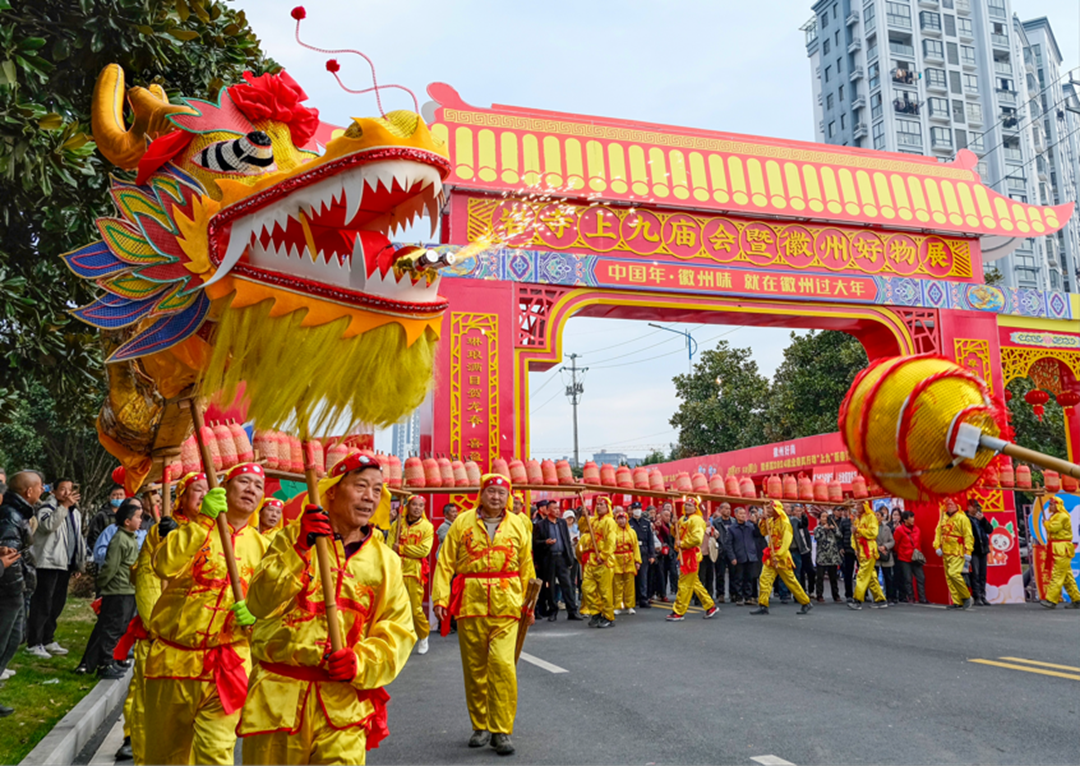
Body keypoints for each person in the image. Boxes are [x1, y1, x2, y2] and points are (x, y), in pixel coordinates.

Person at [240, 452, 415, 765]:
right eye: (361, 486)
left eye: (378, 490)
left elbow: (398, 629)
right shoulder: (293, 537)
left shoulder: (386, 561)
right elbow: (259, 603)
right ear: (332, 490)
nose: (370, 497)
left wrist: (360, 661)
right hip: (279, 699)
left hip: (343, 705)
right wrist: (299, 549)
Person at [143, 462, 268, 766]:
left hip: (228, 663)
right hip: (174, 661)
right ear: (223, 488)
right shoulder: (192, 531)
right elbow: (164, 566)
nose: (251, 489)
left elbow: (275, 605)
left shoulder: (265, 547)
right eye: (244, 482)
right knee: (166, 756)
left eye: (258, 485)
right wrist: (202, 523)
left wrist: (257, 618)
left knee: (217, 753)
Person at [432, 474, 535, 756]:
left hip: (507, 604)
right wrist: (440, 597)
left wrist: (530, 603)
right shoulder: (462, 523)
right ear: (481, 493)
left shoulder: (518, 524)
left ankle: (501, 730)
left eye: (501, 493)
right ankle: (480, 726)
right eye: (491, 491)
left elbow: (527, 565)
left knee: (503, 666)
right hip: (470, 602)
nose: (496, 497)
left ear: (508, 496)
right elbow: (445, 561)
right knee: (475, 669)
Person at [116, 471, 206, 762]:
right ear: (182, 496)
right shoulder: (161, 531)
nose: (205, 495)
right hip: (162, 633)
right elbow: (146, 577)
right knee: (147, 697)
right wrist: (158, 625)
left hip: (200, 636)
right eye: (198, 490)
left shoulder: (222, 532)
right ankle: (135, 740)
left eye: (210, 490)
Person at [77, 500, 141, 678]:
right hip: (117, 590)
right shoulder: (120, 539)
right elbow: (110, 566)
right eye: (137, 517)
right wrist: (104, 584)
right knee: (111, 628)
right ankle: (104, 664)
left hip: (128, 589)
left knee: (120, 628)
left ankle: (107, 660)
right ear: (127, 521)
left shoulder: (131, 538)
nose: (140, 521)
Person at [27, 478, 86, 659]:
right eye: (63, 489)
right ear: (53, 492)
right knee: (43, 602)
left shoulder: (75, 513)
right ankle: (33, 642)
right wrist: (64, 507)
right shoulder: (47, 508)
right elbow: (48, 526)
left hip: (65, 564)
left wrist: (79, 562)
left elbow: (77, 537)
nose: (67, 493)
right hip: (48, 563)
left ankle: (48, 638)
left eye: (70, 489)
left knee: (57, 603)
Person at [0, 472, 40, 718]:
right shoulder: (10, 516)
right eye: (39, 487)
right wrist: (18, 589)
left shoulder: (17, 513)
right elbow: (10, 559)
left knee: (12, 640)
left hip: (14, 589)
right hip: (8, 591)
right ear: (28, 491)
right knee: (5, 639)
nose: (42, 491)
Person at [750, 501, 813, 616]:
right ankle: (763, 605)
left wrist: (778, 555)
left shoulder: (785, 522)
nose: (767, 511)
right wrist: (763, 520)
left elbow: (787, 540)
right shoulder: (770, 520)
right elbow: (764, 532)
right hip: (771, 555)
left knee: (791, 581)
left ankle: (806, 602)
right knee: (764, 579)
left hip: (781, 556)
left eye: (769, 509)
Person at [391, 493, 434, 656]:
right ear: (408, 507)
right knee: (395, 607)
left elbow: (424, 550)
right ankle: (399, 640)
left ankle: (423, 635)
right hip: (396, 570)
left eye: (421, 506)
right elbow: (390, 547)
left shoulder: (427, 527)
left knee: (415, 609)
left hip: (413, 572)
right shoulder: (397, 524)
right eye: (414, 505)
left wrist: (402, 549)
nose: (417, 508)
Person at [666, 498, 719, 621]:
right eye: (686, 505)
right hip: (684, 554)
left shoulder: (697, 520)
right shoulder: (683, 519)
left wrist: (683, 543)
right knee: (694, 583)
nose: (687, 507)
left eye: (690, 505)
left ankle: (679, 611)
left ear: (696, 508)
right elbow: (676, 534)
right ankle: (710, 606)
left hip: (691, 556)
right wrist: (674, 526)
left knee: (684, 584)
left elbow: (697, 539)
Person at [533, 501, 579, 621]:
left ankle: (572, 611)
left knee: (567, 584)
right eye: (555, 509)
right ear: (548, 511)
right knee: (550, 586)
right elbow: (535, 543)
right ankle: (553, 611)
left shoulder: (562, 523)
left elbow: (567, 541)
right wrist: (545, 542)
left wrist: (569, 558)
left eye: (559, 508)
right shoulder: (541, 525)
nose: (558, 511)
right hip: (549, 558)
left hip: (562, 558)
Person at [578, 496, 617, 628]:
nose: (599, 506)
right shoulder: (593, 521)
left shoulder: (610, 522)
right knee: (586, 588)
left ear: (608, 508)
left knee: (605, 591)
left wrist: (604, 555)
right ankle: (596, 613)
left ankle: (608, 616)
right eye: (598, 504)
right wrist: (584, 516)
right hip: (591, 561)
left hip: (603, 561)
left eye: (602, 505)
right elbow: (583, 528)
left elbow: (611, 541)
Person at [1039, 495, 1080, 609]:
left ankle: (1051, 600)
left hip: (1062, 548)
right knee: (1067, 576)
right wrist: (1047, 523)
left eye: (1052, 504)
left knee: (1057, 574)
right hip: (1059, 547)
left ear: (1057, 505)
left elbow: (1053, 528)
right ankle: (1077, 599)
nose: (1050, 506)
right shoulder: (1056, 515)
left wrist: (1046, 523)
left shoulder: (1062, 516)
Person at [933, 498, 974, 610]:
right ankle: (957, 601)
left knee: (953, 574)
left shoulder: (962, 518)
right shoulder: (943, 517)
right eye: (948, 504)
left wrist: (968, 550)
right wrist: (937, 545)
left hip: (957, 550)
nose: (949, 506)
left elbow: (968, 535)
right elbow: (938, 531)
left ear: (957, 505)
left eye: (952, 504)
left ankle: (966, 596)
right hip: (946, 551)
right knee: (949, 577)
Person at [848, 502, 888, 610]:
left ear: (864, 506)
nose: (856, 507)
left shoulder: (871, 517)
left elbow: (873, 533)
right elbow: (853, 536)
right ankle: (880, 599)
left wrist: (859, 530)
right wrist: (855, 548)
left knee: (862, 574)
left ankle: (857, 600)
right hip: (861, 551)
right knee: (871, 577)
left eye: (859, 505)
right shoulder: (857, 519)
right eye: (856, 506)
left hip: (869, 550)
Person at [726, 506, 760, 605]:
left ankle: (748, 597)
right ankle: (739, 597)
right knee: (738, 578)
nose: (743, 516)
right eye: (740, 514)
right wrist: (732, 557)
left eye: (744, 514)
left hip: (750, 555)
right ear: (736, 515)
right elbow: (728, 544)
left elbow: (758, 534)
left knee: (750, 578)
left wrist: (756, 523)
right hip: (739, 556)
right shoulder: (732, 528)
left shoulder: (750, 526)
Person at [893, 510, 927, 604]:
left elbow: (919, 542)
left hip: (915, 557)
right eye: (910, 518)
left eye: (913, 517)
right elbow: (895, 544)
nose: (912, 519)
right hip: (904, 558)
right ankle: (911, 597)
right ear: (905, 519)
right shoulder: (899, 530)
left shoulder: (917, 529)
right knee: (908, 579)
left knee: (921, 577)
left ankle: (922, 598)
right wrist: (900, 552)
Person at [611, 508, 641, 615]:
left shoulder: (632, 532)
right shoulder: (613, 531)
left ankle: (630, 605)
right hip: (616, 559)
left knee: (629, 585)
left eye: (623, 518)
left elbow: (636, 547)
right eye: (619, 519)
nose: (621, 521)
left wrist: (637, 561)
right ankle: (617, 606)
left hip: (629, 559)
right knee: (617, 584)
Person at [965, 499, 992, 606]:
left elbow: (990, 530)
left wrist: (983, 520)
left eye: (977, 507)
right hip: (973, 550)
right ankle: (976, 596)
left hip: (983, 549)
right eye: (975, 507)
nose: (977, 509)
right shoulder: (965, 518)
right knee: (975, 573)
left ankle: (983, 595)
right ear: (969, 507)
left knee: (983, 574)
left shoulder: (980, 518)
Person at [628, 502, 654, 610]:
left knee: (643, 576)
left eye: (639, 508)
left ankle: (643, 598)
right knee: (632, 576)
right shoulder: (629, 523)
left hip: (643, 550)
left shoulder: (646, 523)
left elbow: (650, 540)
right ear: (631, 510)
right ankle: (633, 599)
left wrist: (651, 554)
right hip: (632, 552)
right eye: (635, 508)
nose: (637, 510)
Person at [813, 509, 843, 602]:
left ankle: (836, 595)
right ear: (820, 519)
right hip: (822, 556)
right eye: (823, 517)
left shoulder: (833, 527)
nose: (825, 519)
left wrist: (833, 529)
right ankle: (819, 595)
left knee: (833, 578)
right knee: (820, 577)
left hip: (832, 556)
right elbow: (817, 538)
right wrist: (823, 529)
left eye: (826, 517)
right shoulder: (817, 528)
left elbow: (840, 535)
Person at [86, 485, 126, 552]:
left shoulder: (127, 514)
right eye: (114, 495)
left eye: (121, 494)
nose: (118, 497)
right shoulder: (101, 515)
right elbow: (93, 537)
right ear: (109, 497)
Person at [711, 503, 733, 602]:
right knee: (720, 574)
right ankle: (720, 594)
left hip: (732, 550)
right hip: (720, 550)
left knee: (734, 573)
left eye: (729, 508)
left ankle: (734, 593)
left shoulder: (734, 521)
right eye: (726, 508)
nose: (728, 510)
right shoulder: (716, 522)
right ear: (721, 510)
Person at [874, 508, 897, 604]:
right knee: (874, 578)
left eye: (878, 515)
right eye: (875, 515)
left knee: (888, 576)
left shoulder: (887, 528)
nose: (876, 517)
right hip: (875, 554)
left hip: (886, 554)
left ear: (882, 517)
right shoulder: (871, 527)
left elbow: (892, 541)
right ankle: (877, 597)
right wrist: (877, 548)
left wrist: (885, 547)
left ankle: (890, 597)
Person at [837, 506, 856, 602]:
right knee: (848, 572)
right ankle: (849, 594)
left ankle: (863, 594)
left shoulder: (860, 521)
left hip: (860, 550)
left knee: (862, 573)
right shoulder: (844, 522)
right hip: (848, 549)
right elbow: (839, 536)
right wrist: (840, 547)